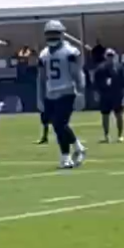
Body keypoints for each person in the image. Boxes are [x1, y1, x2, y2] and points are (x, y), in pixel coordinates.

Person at [36, 20, 86, 169]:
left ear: (61, 34)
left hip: (67, 91)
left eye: (54, 33)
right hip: (51, 92)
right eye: (49, 34)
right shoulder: (44, 54)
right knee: (58, 126)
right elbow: (41, 77)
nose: (51, 37)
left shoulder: (70, 52)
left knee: (60, 123)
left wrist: (80, 92)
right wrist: (40, 97)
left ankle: (67, 155)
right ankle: (75, 149)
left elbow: (77, 73)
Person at [90, 48, 124, 143]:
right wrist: (96, 93)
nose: (110, 57)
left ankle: (120, 135)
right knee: (105, 116)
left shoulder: (119, 67)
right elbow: (95, 82)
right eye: (109, 55)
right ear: (105, 56)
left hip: (117, 95)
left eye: (112, 55)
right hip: (105, 95)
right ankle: (106, 135)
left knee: (119, 115)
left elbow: (123, 82)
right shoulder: (100, 68)